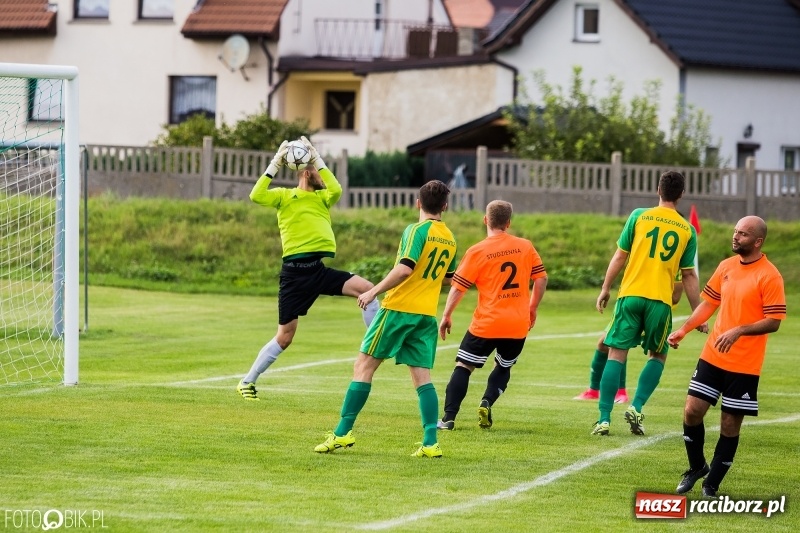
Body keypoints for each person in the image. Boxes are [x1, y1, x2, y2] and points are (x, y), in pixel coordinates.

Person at [314, 180, 456, 458]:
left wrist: (373, 290)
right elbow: (449, 278)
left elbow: (405, 269)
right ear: (445, 206)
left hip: (398, 310)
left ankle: (342, 433)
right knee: (422, 378)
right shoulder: (449, 237)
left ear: (418, 203)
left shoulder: (416, 230)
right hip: (425, 314)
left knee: (363, 366)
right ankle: (430, 442)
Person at [237, 137, 378, 400]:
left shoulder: (324, 197)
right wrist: (276, 162)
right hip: (294, 276)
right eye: (314, 167)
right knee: (285, 336)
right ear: (304, 171)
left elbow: (336, 188)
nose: (321, 174)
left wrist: (317, 158)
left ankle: (373, 344)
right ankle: (247, 381)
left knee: (368, 290)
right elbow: (255, 195)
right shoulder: (283, 196)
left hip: (318, 271)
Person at [668, 216, 785, 497]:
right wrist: (684, 330)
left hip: (744, 365)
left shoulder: (770, 275)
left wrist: (739, 331)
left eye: (743, 234)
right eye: (735, 231)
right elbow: (709, 303)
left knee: (729, 425)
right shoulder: (726, 267)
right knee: (692, 410)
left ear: (757, 242)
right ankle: (697, 467)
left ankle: (712, 484)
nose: (735, 237)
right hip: (713, 356)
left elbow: (774, 320)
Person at [591, 170, 705, 436]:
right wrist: (699, 314)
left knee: (616, 353)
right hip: (660, 302)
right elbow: (688, 274)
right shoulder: (687, 230)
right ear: (682, 195)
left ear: (658, 190)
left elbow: (620, 256)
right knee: (659, 354)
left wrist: (606, 288)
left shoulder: (638, 216)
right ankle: (637, 407)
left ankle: (604, 418)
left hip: (630, 296)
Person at [436, 200, 547, 430]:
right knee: (504, 367)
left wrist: (446, 315)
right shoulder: (525, 246)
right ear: (508, 223)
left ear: (485, 220)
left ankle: (448, 419)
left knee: (463, 366)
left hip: (487, 322)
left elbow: (458, 287)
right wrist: (532, 307)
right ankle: (487, 401)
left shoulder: (477, 251)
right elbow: (541, 278)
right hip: (517, 323)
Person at [574, 275, 686, 404]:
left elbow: (676, 297)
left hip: (652, 309)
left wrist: (652, 298)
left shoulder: (672, 260)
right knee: (604, 344)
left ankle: (620, 392)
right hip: (631, 302)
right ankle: (594, 391)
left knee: (620, 345)